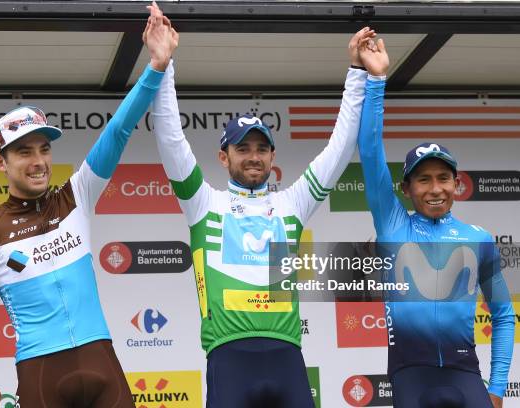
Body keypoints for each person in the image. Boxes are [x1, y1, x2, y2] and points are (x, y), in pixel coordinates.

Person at [148, 5, 378, 406]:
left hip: (288, 356)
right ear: (224, 157)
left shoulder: (292, 205)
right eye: (243, 149)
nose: (253, 157)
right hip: (228, 357)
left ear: (272, 158)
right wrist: (163, 66)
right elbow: (171, 141)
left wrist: (358, 74)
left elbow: (340, 148)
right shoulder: (204, 205)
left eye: (261, 149)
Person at [0, 5, 177, 407]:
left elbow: (118, 130)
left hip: (101, 362)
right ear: (1, 163)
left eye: (44, 148)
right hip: (40, 374)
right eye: (24, 151)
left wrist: (156, 66)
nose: (38, 160)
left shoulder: (75, 195)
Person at [356, 38, 515, 408]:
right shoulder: (394, 226)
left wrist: (498, 385)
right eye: (423, 179)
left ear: (456, 184)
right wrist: (376, 80)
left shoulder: (478, 239)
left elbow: (504, 314)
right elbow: (369, 151)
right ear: (406, 188)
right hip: (411, 376)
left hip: (466, 376)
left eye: (443, 178)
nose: (435, 189)